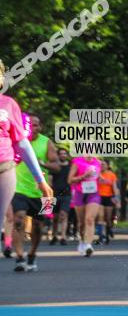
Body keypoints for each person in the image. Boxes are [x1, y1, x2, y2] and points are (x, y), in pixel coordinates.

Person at [11, 114, 60, 272]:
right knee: (18, 219)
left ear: (41, 127)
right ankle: (19, 257)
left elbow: (57, 166)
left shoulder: (46, 142)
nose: (33, 127)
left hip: (43, 191)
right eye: (30, 124)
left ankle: (32, 254)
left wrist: (42, 163)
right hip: (18, 188)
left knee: (39, 225)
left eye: (36, 125)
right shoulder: (14, 140)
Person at [68, 154, 102, 256]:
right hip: (79, 193)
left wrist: (101, 179)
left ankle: (88, 245)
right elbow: (70, 180)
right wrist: (84, 176)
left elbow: (97, 177)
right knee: (81, 222)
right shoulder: (77, 162)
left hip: (93, 194)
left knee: (90, 219)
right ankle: (82, 241)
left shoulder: (97, 162)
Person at [50, 148, 72, 245]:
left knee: (63, 215)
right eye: (61, 154)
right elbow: (49, 179)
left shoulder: (71, 167)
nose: (63, 155)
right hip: (54, 194)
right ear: (58, 155)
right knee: (54, 218)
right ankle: (54, 236)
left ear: (67, 155)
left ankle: (63, 237)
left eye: (64, 154)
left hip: (67, 194)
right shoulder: (54, 166)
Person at [97, 159, 119, 245]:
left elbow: (114, 187)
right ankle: (101, 237)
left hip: (109, 197)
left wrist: (116, 198)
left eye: (104, 164)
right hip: (98, 197)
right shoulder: (97, 174)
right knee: (100, 216)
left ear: (107, 166)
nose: (102, 166)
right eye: (101, 164)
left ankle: (108, 232)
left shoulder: (112, 175)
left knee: (108, 218)